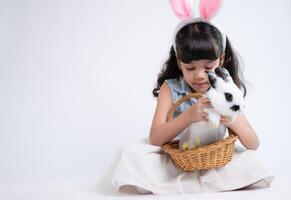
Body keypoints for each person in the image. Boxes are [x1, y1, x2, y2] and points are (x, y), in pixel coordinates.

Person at [98, 1, 274, 195]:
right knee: (132, 154)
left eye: (208, 68)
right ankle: (186, 181)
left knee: (250, 160)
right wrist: (188, 116)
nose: (199, 75)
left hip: (214, 159)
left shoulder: (224, 90)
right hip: (178, 159)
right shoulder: (170, 88)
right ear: (179, 63)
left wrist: (230, 119)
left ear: (221, 60)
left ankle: (206, 180)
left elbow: (253, 143)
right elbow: (155, 139)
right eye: (190, 67)